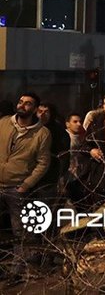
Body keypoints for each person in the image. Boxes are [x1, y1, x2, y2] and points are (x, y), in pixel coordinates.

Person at [0, 93, 51, 281]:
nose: (22, 105)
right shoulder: (4, 123)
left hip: (17, 188)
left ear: (35, 109)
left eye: (28, 104)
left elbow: (43, 162)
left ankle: (16, 271)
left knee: (18, 232)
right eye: (21, 102)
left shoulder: (41, 133)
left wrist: (26, 185)